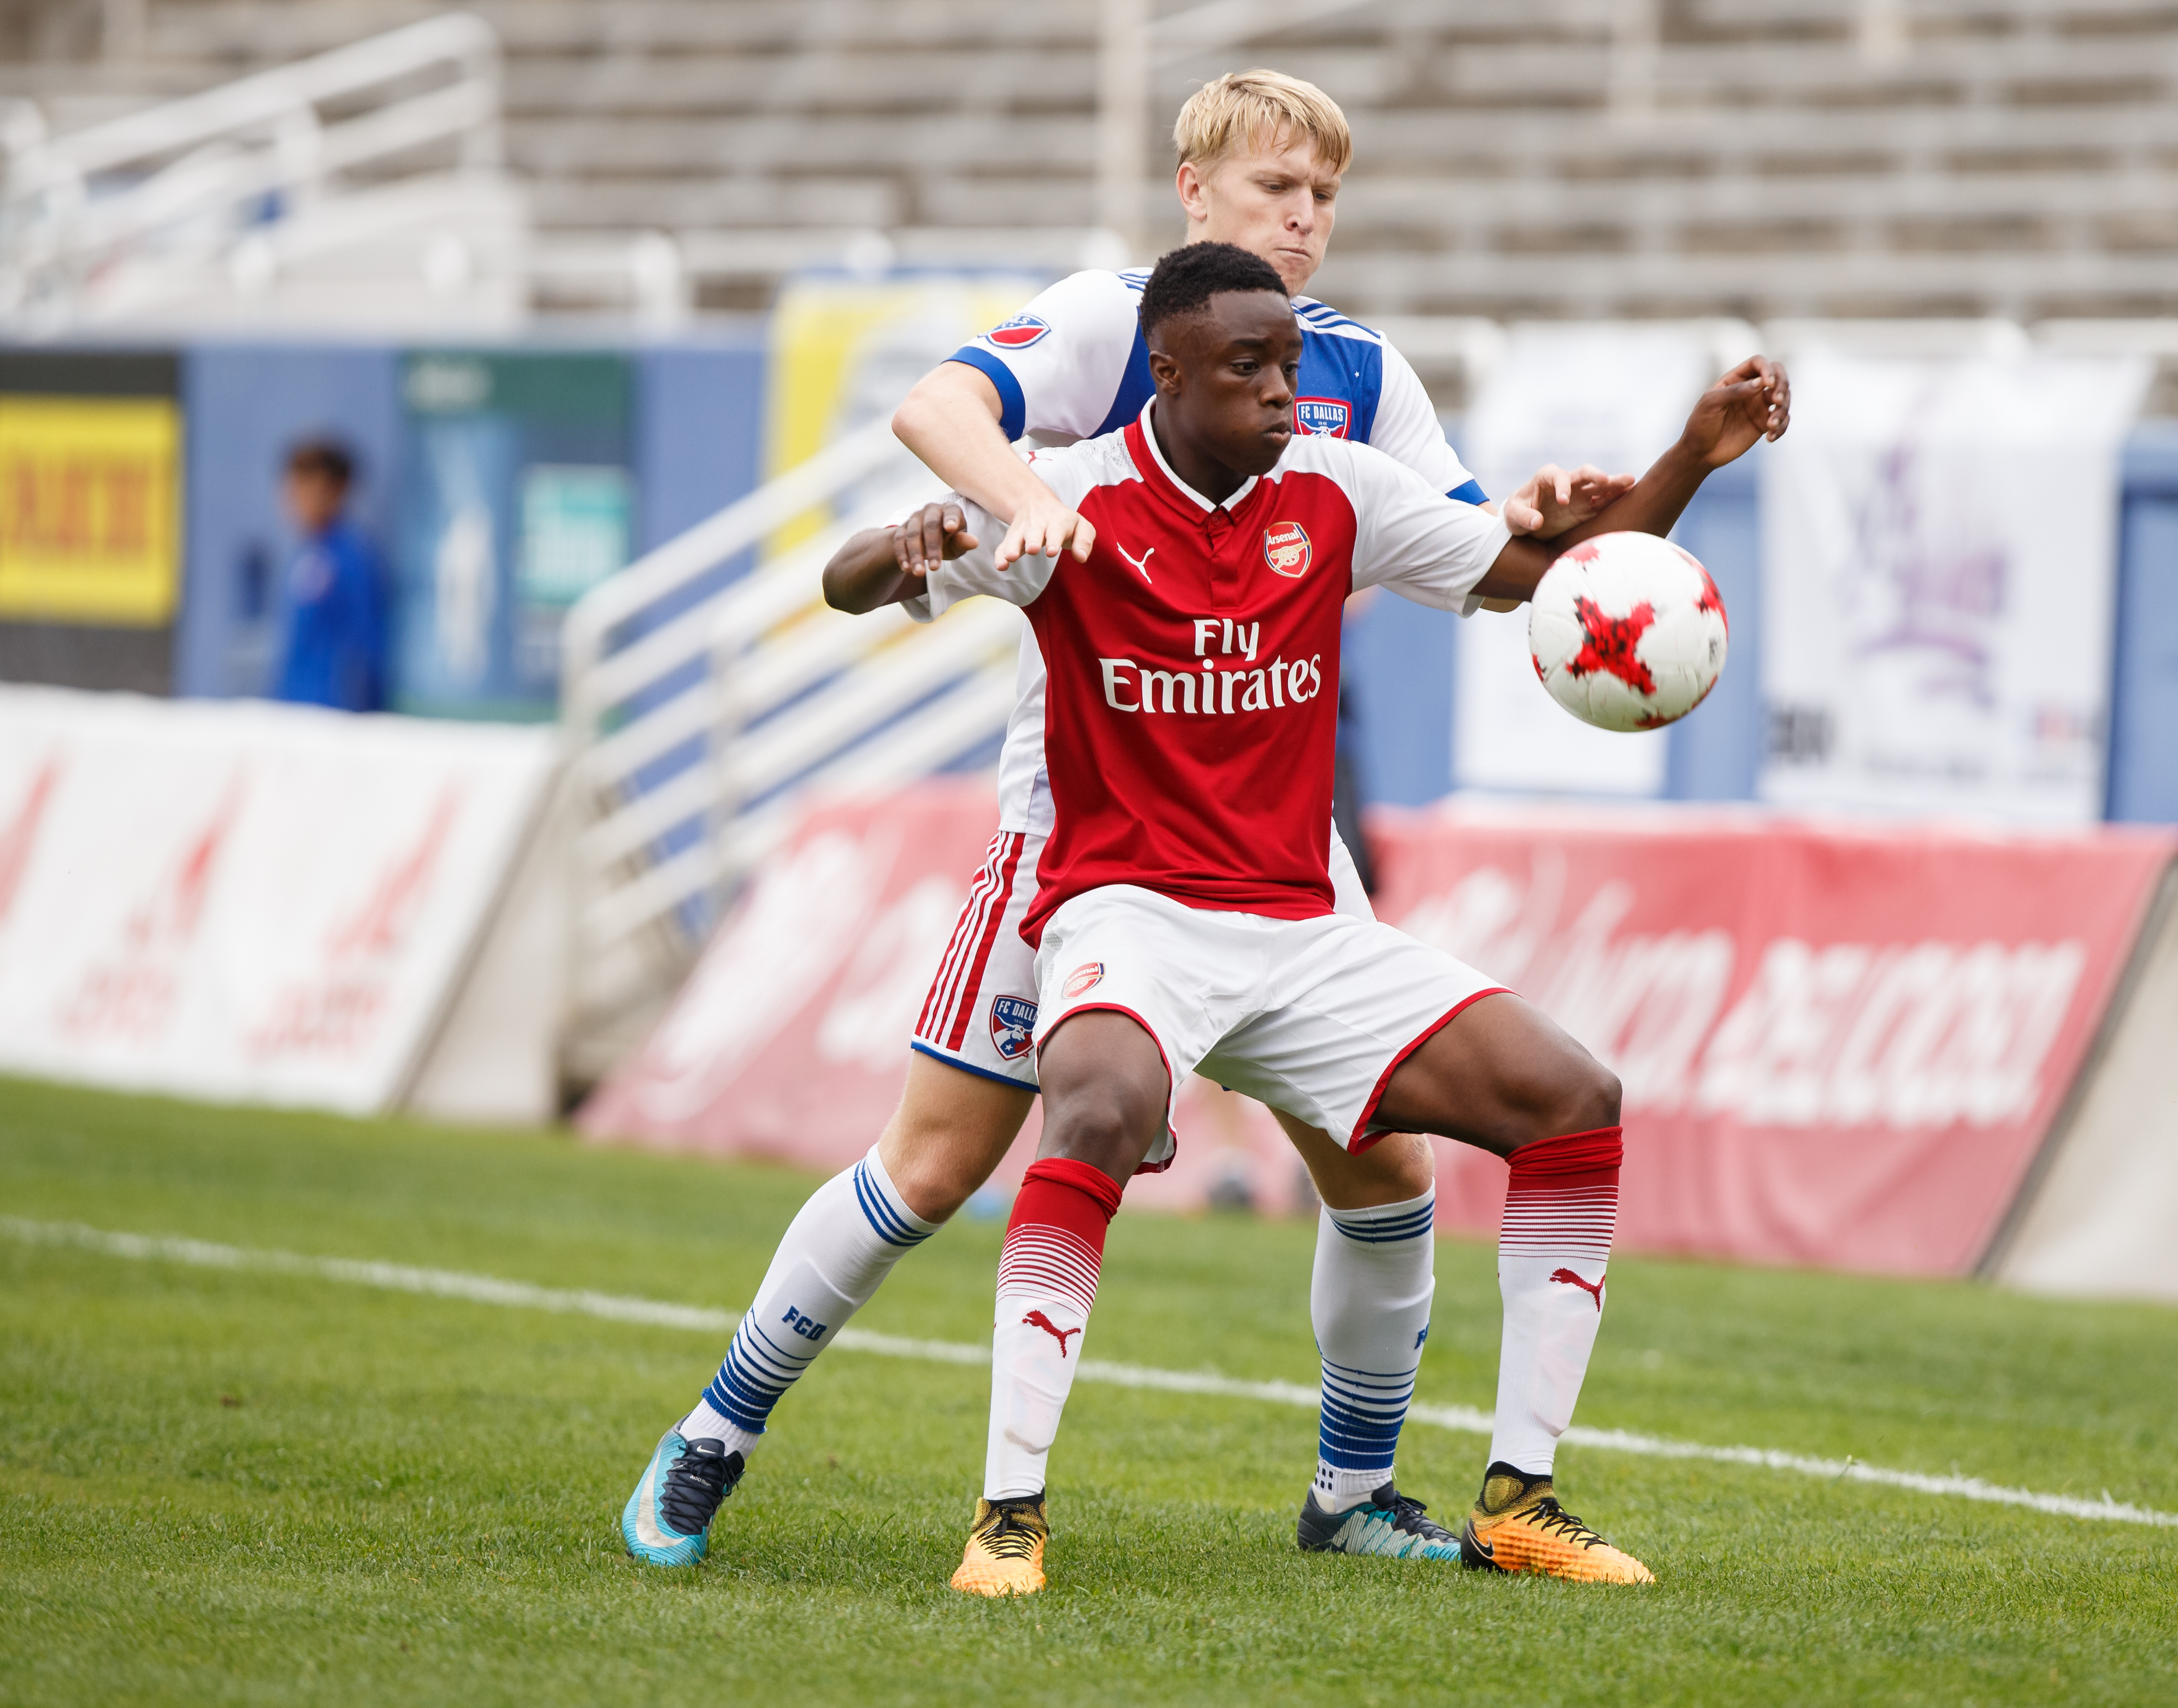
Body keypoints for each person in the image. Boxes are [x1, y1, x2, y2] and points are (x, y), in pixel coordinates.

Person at [617, 69, 1669, 1572]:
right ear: (1192, 193)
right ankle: (717, 1428)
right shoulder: (1119, 324)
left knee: (1384, 1171)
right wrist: (1012, 511)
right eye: (1270, 193)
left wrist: (1555, 512)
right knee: (929, 1165)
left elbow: (1473, 541)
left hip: (1273, 847)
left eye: (1321, 198)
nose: (1301, 222)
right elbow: (940, 414)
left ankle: (1352, 1490)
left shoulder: (1351, 371)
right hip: (1084, 835)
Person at [827, 243, 1787, 1593]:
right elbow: (848, 585)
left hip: (1301, 927)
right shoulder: (1067, 500)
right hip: (1130, 912)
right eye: (1250, 366)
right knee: (1094, 1108)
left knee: (1574, 1094)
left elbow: (1550, 572)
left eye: (1290, 362)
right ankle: (1008, 1515)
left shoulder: (1339, 491)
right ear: (1164, 370)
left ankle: (1520, 1496)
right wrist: (903, 539)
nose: (1288, 390)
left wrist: (1692, 451)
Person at [270, 438, 387, 712]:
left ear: (338, 490)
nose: (297, 498)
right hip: (292, 712)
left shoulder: (353, 558)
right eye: (294, 486)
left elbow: (369, 646)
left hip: (332, 719)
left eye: (308, 486)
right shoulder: (303, 554)